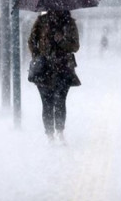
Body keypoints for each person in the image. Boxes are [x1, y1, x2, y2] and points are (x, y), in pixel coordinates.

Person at [28, 10, 81, 143]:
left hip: (63, 68)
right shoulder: (41, 22)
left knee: (60, 101)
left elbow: (75, 46)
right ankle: (50, 134)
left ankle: (59, 131)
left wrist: (62, 40)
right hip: (44, 69)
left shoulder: (69, 23)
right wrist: (38, 55)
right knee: (47, 103)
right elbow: (31, 41)